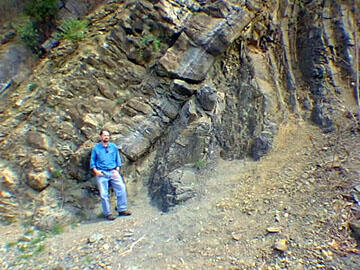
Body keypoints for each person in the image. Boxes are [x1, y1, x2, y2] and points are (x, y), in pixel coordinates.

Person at [90, 129, 131, 220]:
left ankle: (122, 209)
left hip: (113, 172)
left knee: (121, 188)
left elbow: (118, 160)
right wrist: (96, 172)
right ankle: (108, 213)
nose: (106, 137)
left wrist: (117, 170)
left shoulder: (113, 147)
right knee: (104, 194)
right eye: (104, 135)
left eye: (108, 135)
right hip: (102, 173)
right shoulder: (96, 148)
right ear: (101, 136)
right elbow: (92, 162)